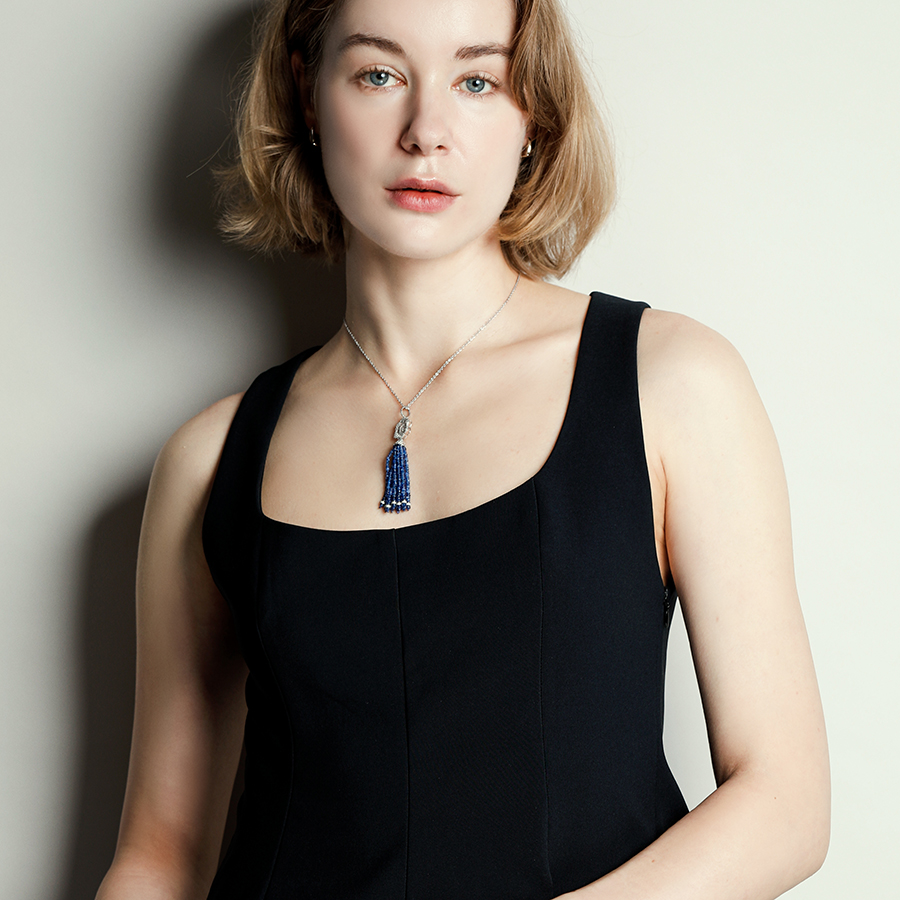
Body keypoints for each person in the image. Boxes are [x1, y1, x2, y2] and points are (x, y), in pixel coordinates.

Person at [96, 0, 830, 897]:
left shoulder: (671, 382)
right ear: (309, 93)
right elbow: (160, 855)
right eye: (379, 74)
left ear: (533, 117)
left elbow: (785, 804)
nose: (426, 131)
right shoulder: (208, 462)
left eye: (477, 81)